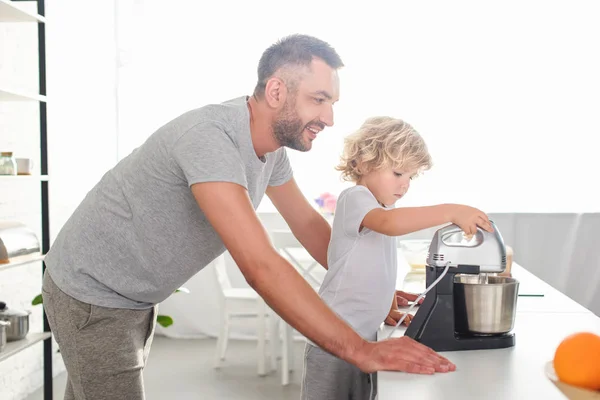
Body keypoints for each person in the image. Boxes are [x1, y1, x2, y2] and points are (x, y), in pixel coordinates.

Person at [41, 34, 455, 400]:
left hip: (132, 297)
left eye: (332, 103)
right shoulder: (210, 138)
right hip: (92, 293)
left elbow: (310, 227)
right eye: (319, 99)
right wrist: (360, 350)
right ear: (276, 91)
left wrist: (366, 290)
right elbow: (260, 265)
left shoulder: (271, 152)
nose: (329, 118)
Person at [301, 116, 494, 400]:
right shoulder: (355, 198)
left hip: (360, 338)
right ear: (365, 163)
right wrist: (450, 210)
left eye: (410, 177)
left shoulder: (380, 210)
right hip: (332, 341)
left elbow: (373, 265)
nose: (404, 185)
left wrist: (386, 303)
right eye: (398, 173)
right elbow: (388, 224)